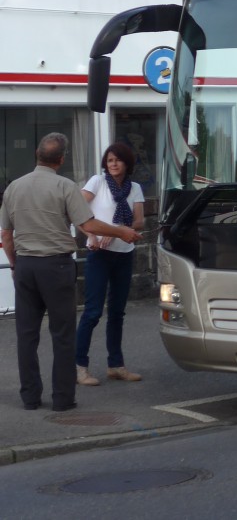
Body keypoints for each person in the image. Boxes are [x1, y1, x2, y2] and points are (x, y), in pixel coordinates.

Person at [0, 133, 140, 412]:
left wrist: (15, 264)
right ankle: (62, 399)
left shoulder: (14, 187)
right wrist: (121, 231)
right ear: (62, 159)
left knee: (26, 335)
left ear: (37, 155)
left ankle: (30, 397)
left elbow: (6, 234)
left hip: (26, 265)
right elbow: (88, 224)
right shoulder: (64, 185)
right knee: (62, 334)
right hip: (56, 265)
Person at [75, 142, 147, 386]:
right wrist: (92, 235)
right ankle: (79, 367)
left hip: (123, 253)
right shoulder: (97, 182)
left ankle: (116, 365)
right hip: (99, 254)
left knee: (117, 312)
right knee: (93, 312)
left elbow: (139, 222)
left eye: (117, 160)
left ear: (127, 163)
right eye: (109, 160)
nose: (113, 164)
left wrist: (118, 231)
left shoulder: (134, 188)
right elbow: (77, 210)